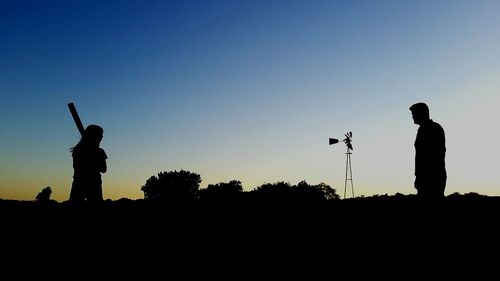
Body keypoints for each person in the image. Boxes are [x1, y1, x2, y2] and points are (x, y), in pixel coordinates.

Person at [409, 102, 446, 200]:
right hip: (424, 177)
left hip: (432, 178)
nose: (412, 116)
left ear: (422, 113)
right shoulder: (422, 130)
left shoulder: (433, 128)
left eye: (414, 113)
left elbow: (436, 155)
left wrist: (424, 176)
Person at [69, 124, 107, 204]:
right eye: (100, 135)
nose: (102, 138)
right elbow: (103, 169)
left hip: (79, 182)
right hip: (92, 184)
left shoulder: (78, 149)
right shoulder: (99, 152)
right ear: (95, 136)